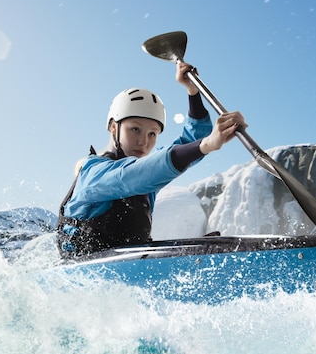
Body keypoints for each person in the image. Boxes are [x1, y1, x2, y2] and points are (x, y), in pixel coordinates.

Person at [56, 62, 247, 258]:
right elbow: (129, 176)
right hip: (82, 273)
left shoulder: (148, 179)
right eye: (135, 129)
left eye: (152, 134)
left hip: (129, 271)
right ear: (114, 128)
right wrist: (206, 144)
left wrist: (193, 92)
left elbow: (190, 141)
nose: (143, 142)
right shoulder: (93, 172)